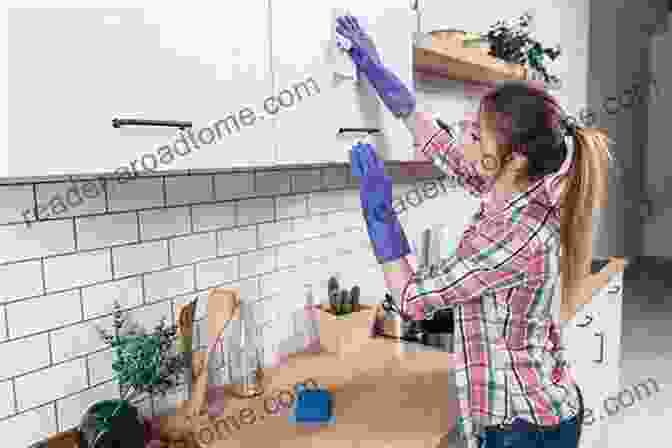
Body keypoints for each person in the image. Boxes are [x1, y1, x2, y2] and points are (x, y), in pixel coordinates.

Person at [337, 14, 624, 448]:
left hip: (525, 428)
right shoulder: (517, 186)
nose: (463, 138)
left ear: (515, 160)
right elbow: (439, 142)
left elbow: (413, 300)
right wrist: (378, 69)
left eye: (476, 133)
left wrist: (379, 214)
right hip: (535, 412)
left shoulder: (513, 237)